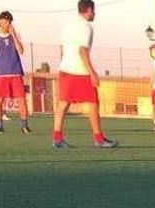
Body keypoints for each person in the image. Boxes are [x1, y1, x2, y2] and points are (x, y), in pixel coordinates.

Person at [51, 0, 118, 149]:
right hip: (80, 71)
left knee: (63, 104)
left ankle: (57, 139)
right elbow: (82, 51)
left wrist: (64, 65)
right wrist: (92, 72)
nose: (94, 14)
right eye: (93, 11)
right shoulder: (86, 27)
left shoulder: (67, 25)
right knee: (93, 104)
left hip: (65, 69)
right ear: (88, 10)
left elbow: (62, 49)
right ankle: (99, 139)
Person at [0, 11, 30, 134]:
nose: (7, 23)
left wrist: (13, 35)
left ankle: (24, 125)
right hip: (0, 75)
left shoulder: (14, 35)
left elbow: (21, 50)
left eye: (9, 21)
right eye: (4, 21)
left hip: (15, 73)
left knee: (22, 100)